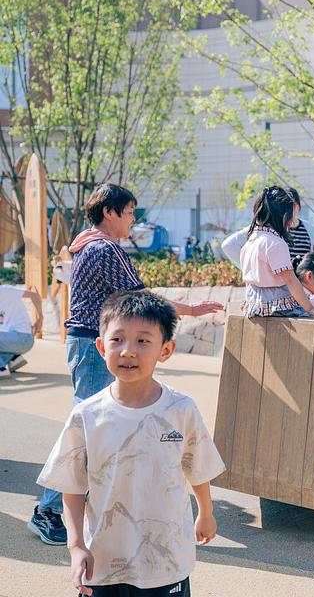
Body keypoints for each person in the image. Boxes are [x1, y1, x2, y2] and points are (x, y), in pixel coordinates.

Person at [28, 183, 223, 546]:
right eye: (130, 212)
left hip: (90, 344)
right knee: (89, 426)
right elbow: (140, 296)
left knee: (93, 423)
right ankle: (48, 511)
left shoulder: (85, 243)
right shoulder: (105, 248)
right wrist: (192, 309)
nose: (133, 219)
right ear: (110, 212)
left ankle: (65, 505)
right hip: (95, 345)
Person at [37, 291, 225, 596]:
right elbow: (70, 486)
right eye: (117, 340)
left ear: (166, 350)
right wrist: (76, 547)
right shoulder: (87, 415)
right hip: (102, 563)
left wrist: (206, 512)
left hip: (166, 563)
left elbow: (197, 466)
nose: (128, 351)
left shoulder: (181, 409)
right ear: (100, 346)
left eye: (142, 341)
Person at [240, 185, 314, 318]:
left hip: (254, 303)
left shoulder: (251, 241)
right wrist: (310, 308)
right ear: (284, 216)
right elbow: (291, 280)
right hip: (276, 305)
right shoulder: (275, 243)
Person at [221, 187, 314, 267]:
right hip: (279, 284)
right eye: (285, 208)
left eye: (292, 206)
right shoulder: (263, 229)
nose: (289, 212)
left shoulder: (309, 229)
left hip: (303, 284)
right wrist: (250, 268)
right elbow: (228, 245)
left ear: (298, 207)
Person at [0, 284, 43, 377]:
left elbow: (34, 295)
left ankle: (1, 369)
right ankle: (12, 358)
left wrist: (40, 318)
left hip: (23, 338)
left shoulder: (4, 290)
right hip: (17, 341)